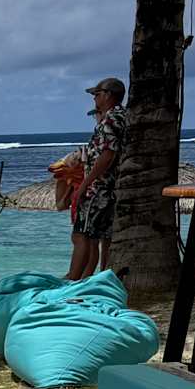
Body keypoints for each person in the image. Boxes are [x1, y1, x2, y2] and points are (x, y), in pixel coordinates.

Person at [55, 75, 130, 280]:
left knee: (82, 236)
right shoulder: (123, 116)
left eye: (96, 94)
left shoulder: (111, 120)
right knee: (97, 237)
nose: (94, 99)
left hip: (99, 188)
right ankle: (87, 278)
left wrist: (84, 185)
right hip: (109, 187)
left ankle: (74, 279)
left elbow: (107, 155)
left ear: (108, 95)